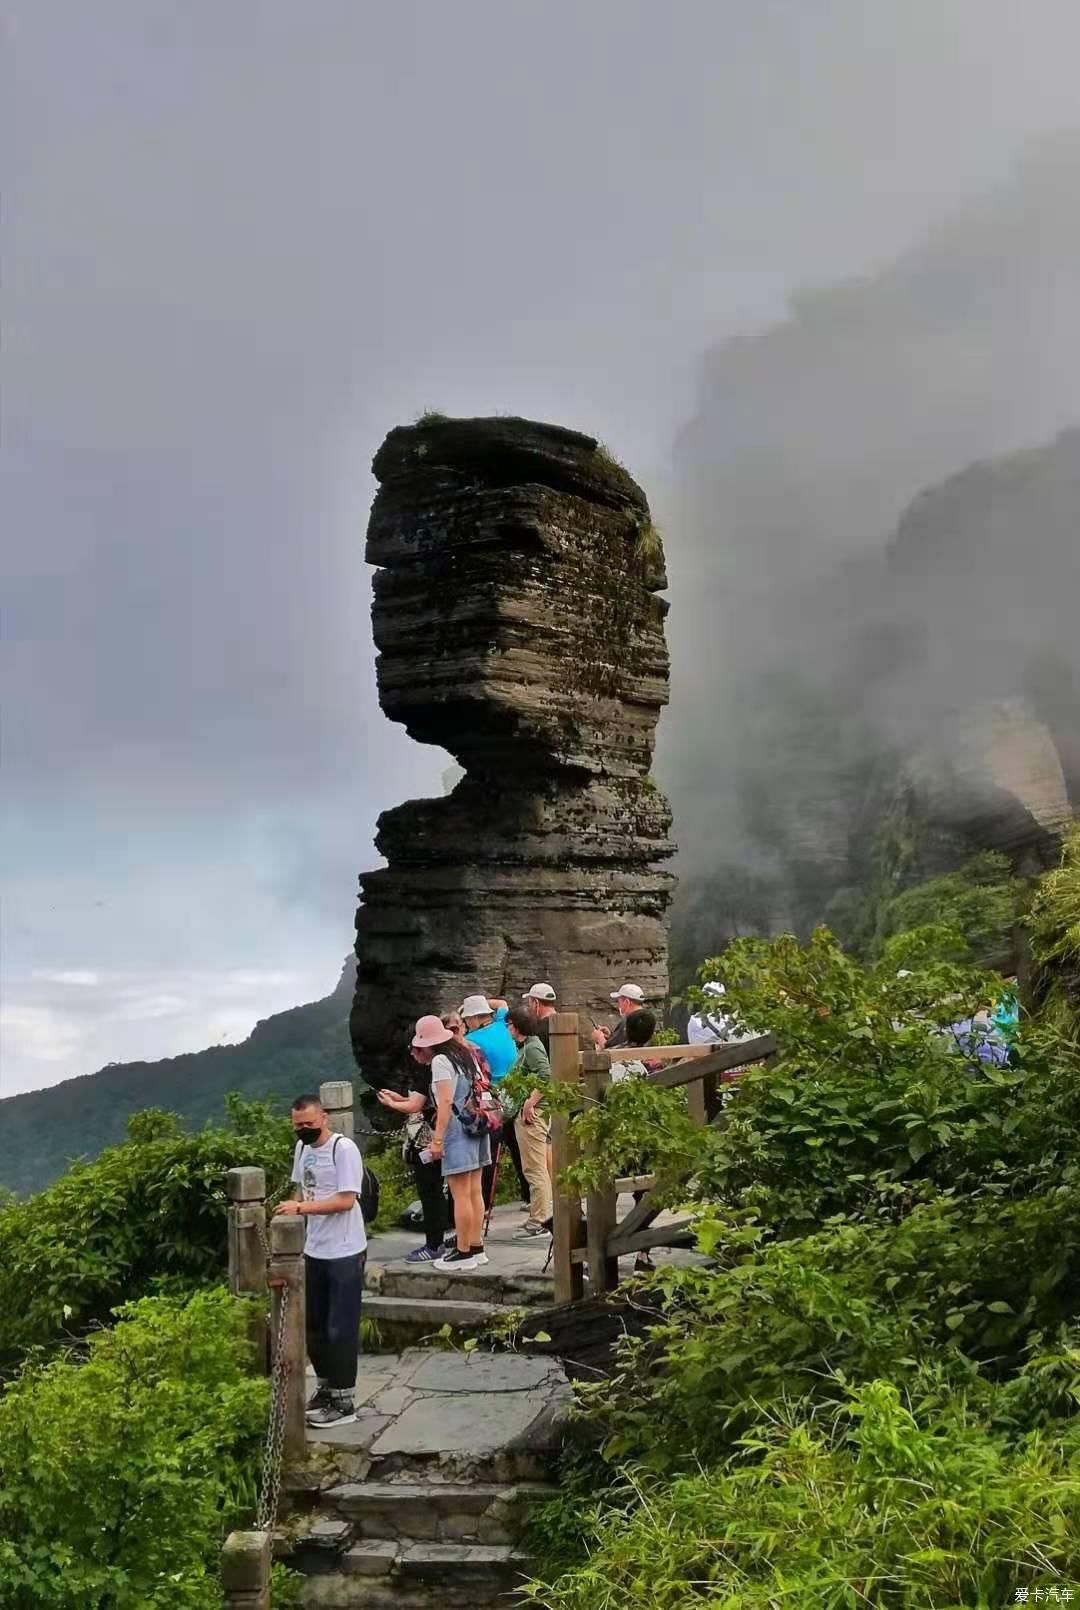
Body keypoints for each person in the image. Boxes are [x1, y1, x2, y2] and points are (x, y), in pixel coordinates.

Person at [276, 1093, 367, 1428]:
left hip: (345, 1248)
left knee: (339, 1327)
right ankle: (326, 1389)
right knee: (314, 1326)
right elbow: (301, 1189)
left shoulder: (342, 1150)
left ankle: (345, 1402)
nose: (304, 1130)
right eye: (298, 1126)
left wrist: (299, 1210)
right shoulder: (303, 1149)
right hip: (315, 1248)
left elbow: (346, 1200)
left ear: (324, 1117)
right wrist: (291, 1208)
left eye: (309, 1124)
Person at [411, 1014, 492, 1271]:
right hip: (478, 1124)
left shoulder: (441, 1061)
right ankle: (476, 1247)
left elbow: (445, 1103)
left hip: (458, 1130)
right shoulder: (464, 1052)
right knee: (475, 1191)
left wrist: (437, 1140)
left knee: (459, 1194)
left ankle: (463, 1252)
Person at [376, 1046, 446, 1264]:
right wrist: (398, 1098)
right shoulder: (444, 1065)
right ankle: (449, 1241)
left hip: (428, 1142)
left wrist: (391, 1104)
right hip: (442, 1139)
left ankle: (434, 1244)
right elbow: (420, 1100)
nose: (412, 1055)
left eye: (415, 1050)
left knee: (430, 1194)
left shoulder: (427, 1070)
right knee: (442, 1193)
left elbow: (415, 1105)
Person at [605, 1010, 658, 1273]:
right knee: (644, 1195)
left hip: (615, 1137)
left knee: (607, 1195)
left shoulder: (613, 1060)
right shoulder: (645, 1065)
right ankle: (642, 1254)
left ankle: (602, 1253)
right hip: (641, 1135)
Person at [506, 1004, 553, 1235]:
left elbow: (546, 1076)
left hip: (533, 1117)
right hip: (529, 1114)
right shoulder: (525, 1046)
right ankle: (540, 1214)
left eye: (509, 1024)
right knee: (533, 1167)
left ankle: (540, 1220)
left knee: (535, 1169)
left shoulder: (532, 1047)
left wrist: (530, 1101)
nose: (507, 1028)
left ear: (516, 1026)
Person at [461, 994, 518, 1082]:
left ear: (474, 1018)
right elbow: (502, 1003)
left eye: (466, 1019)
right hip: (515, 1081)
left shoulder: (469, 1040)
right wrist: (480, 1003)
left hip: (493, 1088)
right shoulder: (502, 1023)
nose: (466, 1023)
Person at [591, 983, 646, 1050]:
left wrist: (599, 1038)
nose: (618, 1005)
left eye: (619, 1001)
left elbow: (614, 1051)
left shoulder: (629, 1021)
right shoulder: (644, 1020)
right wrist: (611, 1036)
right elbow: (624, 1043)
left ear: (626, 1002)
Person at [520, 983, 558, 1050]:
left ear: (536, 1003)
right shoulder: (568, 1026)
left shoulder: (536, 1031)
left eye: (529, 1003)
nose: (529, 1007)